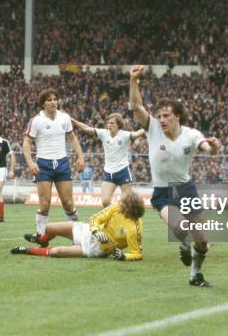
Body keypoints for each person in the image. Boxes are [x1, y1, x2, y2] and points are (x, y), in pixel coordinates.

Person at [129, 65, 222, 287]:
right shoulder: (153, 129)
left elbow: (208, 150)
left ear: (177, 116)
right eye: (160, 115)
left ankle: (195, 274)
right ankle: (183, 245)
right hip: (163, 192)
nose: (161, 119)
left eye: (166, 116)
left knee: (202, 240)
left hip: (186, 189)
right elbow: (136, 106)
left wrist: (215, 146)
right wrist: (133, 81)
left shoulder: (191, 135)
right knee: (180, 227)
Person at [11, 191, 144, 260]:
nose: (119, 204)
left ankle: (27, 250)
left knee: (57, 252)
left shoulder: (133, 229)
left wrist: (123, 256)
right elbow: (95, 218)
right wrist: (96, 231)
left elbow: (137, 253)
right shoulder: (116, 207)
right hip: (88, 230)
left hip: (96, 248)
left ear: (129, 210)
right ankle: (41, 240)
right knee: (49, 227)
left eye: (123, 204)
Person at [23, 89, 86, 234]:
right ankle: (40, 235)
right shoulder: (36, 120)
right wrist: (30, 162)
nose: (53, 102)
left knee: (68, 203)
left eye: (55, 99)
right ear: (43, 104)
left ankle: (77, 234)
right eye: (49, 100)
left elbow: (72, 138)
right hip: (43, 164)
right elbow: (26, 143)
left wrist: (81, 157)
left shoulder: (65, 118)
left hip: (62, 163)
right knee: (45, 204)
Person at [72, 114, 145, 206]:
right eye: (108, 123)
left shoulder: (125, 135)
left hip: (123, 171)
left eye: (112, 123)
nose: (109, 125)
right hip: (109, 173)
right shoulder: (103, 133)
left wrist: (148, 125)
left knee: (129, 202)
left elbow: (137, 133)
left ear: (118, 124)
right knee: (105, 202)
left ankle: (132, 218)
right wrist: (73, 120)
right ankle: (115, 216)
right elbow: (87, 128)